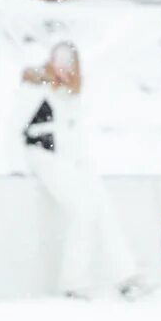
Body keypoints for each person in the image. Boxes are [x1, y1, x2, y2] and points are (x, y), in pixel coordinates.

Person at [18, 41, 142, 299]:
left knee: (102, 206)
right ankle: (73, 283)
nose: (62, 68)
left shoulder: (70, 95)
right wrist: (18, 167)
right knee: (83, 210)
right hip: (44, 159)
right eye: (58, 62)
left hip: (73, 162)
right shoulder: (37, 88)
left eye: (67, 63)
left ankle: (125, 275)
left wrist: (82, 165)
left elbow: (74, 138)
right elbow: (18, 130)